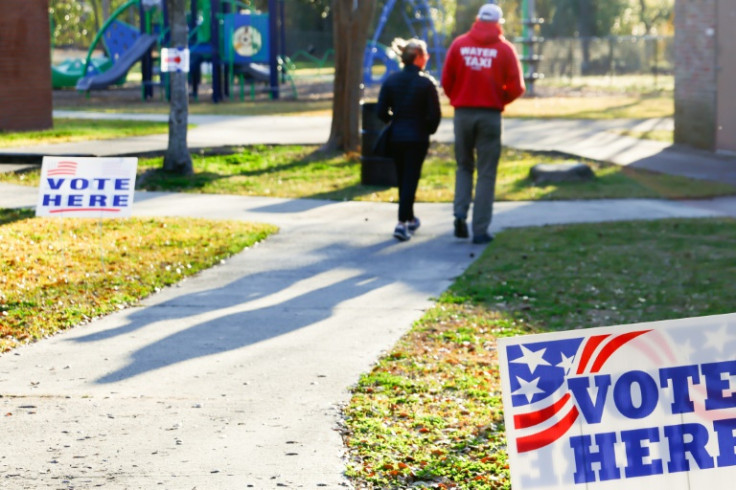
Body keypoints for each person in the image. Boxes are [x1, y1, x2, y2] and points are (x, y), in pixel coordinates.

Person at [441, 3, 525, 244]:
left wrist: (458, 98)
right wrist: (500, 99)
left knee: (464, 166)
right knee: (486, 173)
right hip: (490, 115)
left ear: (477, 19)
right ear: (498, 22)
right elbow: (517, 87)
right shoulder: (505, 49)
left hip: (463, 113)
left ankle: (459, 214)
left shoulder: (459, 45)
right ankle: (480, 230)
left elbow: (447, 80)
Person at [376, 38, 442, 242]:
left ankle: (410, 217)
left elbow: (381, 110)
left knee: (403, 177)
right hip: (417, 138)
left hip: (396, 136)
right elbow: (434, 115)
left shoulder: (391, 80)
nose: (427, 58)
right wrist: (426, 129)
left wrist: (393, 121)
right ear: (418, 58)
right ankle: (402, 222)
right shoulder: (426, 83)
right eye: (425, 55)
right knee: (410, 180)